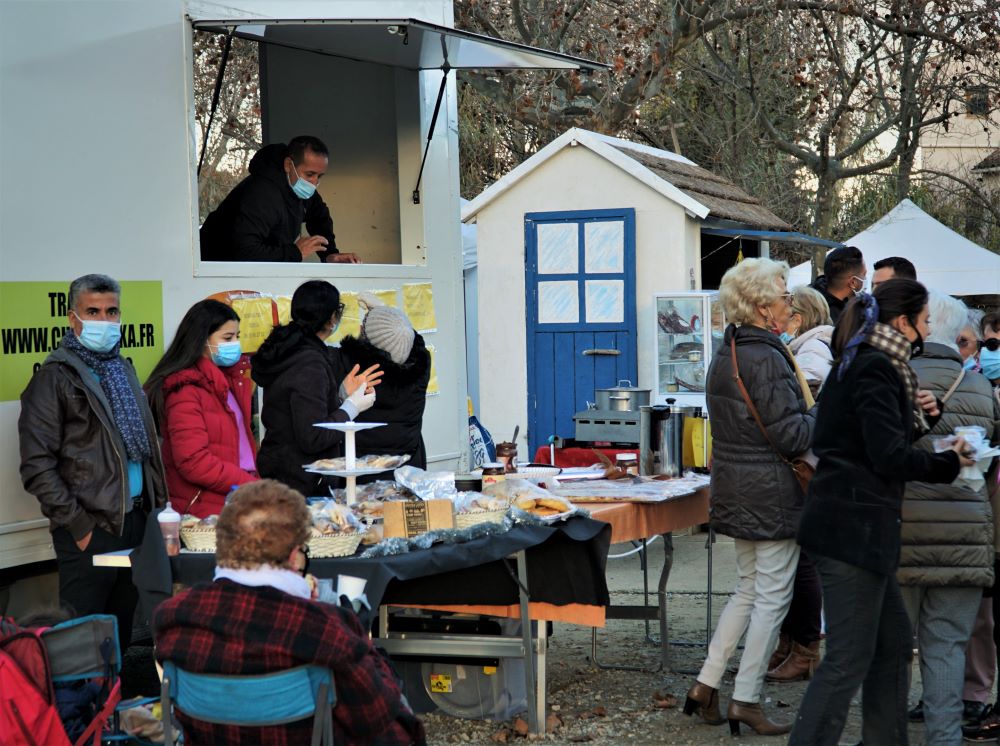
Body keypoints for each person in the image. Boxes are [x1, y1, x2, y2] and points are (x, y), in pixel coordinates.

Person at [789, 279, 972, 746]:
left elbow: (865, 439)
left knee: (891, 645)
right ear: (902, 322)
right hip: (851, 529)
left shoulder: (868, 362)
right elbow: (887, 456)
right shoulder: (876, 368)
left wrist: (924, 422)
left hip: (856, 527)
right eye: (925, 321)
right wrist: (951, 461)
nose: (927, 332)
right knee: (849, 656)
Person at [153, 479, 425, 745]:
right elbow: (387, 727)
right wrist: (363, 640)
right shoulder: (324, 627)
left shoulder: (174, 617)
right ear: (295, 555)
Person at [683, 258, 815, 736]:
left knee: (748, 589)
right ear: (763, 307)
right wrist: (826, 417)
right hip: (773, 493)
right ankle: (745, 697)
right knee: (771, 598)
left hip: (739, 488)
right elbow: (791, 435)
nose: (790, 302)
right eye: (784, 294)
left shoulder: (729, 350)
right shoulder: (768, 355)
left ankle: (706, 684)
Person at [18, 274, 167, 652]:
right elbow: (37, 465)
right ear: (73, 319)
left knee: (118, 636)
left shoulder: (122, 369)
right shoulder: (55, 378)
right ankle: (84, 711)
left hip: (133, 523)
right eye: (93, 312)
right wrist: (79, 526)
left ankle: (114, 709)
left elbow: (144, 449)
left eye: (111, 311)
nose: (104, 320)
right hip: (91, 528)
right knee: (83, 643)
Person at [895, 291, 996, 746]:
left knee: (893, 647)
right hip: (965, 533)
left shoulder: (892, 376)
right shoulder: (978, 387)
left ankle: (886, 733)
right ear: (957, 334)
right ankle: (945, 739)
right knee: (948, 646)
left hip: (902, 529)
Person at [251, 280, 381, 495]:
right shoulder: (309, 362)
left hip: (281, 471)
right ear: (332, 319)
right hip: (300, 482)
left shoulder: (289, 350)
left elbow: (298, 410)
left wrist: (338, 396)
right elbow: (313, 436)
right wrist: (351, 408)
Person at [766, 285, 834, 683]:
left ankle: (805, 647)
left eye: (789, 312)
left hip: (805, 464)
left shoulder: (813, 350)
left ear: (801, 317)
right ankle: (793, 642)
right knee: (796, 559)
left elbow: (803, 401)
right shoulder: (806, 346)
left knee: (802, 560)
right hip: (802, 462)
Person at [144, 299, 258, 517]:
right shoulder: (184, 389)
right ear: (202, 340)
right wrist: (249, 484)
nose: (235, 344)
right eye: (227, 338)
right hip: (204, 511)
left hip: (232, 500)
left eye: (237, 336)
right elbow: (193, 461)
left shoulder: (227, 381)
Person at [199, 135, 360, 264]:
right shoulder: (261, 194)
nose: (314, 182)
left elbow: (319, 216)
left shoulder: (299, 186)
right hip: (214, 268)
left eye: (319, 176)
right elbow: (244, 251)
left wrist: (330, 254)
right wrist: (295, 253)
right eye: (310, 174)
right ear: (288, 165)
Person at [333, 293, 431, 471]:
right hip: (408, 472)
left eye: (364, 326)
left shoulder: (349, 367)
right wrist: (385, 311)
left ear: (363, 334)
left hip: (361, 472)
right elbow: (413, 341)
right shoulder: (421, 369)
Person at [809, 245, 866, 323]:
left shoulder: (810, 300)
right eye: (864, 274)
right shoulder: (834, 322)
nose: (865, 279)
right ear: (853, 282)